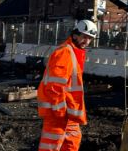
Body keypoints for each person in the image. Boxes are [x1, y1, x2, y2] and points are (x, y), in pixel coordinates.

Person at [37, 19, 98, 151]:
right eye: (85, 37)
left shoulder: (74, 52)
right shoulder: (65, 52)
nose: (87, 41)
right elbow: (54, 85)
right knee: (51, 145)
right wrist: (59, 110)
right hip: (58, 111)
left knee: (72, 141)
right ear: (75, 35)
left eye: (90, 39)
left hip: (68, 110)